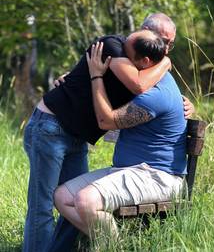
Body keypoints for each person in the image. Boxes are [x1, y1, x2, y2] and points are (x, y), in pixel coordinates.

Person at [22, 13, 193, 252]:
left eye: (169, 45)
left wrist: (184, 102)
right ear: (144, 33)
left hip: (79, 138)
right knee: (43, 205)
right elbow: (137, 86)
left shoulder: (148, 70)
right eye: (162, 42)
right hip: (51, 128)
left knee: (70, 199)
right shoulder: (115, 46)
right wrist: (85, 76)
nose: (165, 49)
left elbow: (154, 96)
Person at [54, 36, 187, 240]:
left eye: (125, 54)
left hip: (158, 177)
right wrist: (72, 80)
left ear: (145, 62)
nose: (119, 57)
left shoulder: (154, 95)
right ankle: (112, 242)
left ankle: (111, 246)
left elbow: (106, 121)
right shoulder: (142, 82)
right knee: (62, 197)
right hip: (131, 171)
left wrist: (96, 76)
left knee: (86, 201)